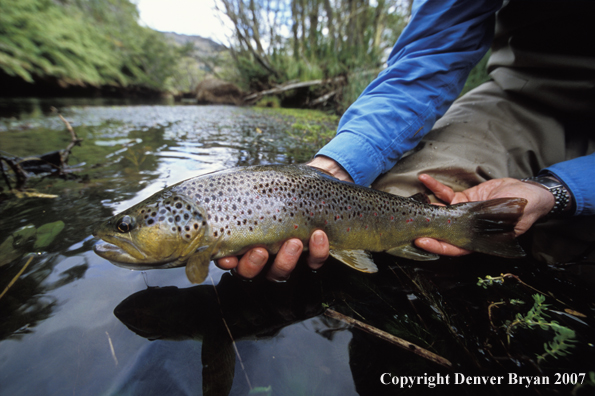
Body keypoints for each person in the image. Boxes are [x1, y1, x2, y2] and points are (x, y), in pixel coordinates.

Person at [218, 0, 595, 282]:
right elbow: (431, 56)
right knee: (399, 195)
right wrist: (334, 169)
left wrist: (559, 192)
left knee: (563, 238)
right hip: (526, 93)